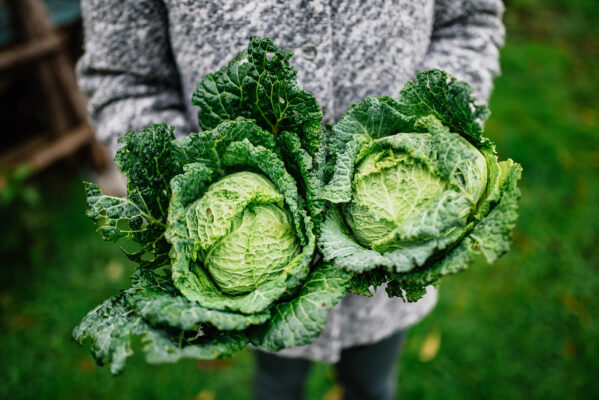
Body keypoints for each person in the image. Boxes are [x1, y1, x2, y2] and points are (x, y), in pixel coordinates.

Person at [77, 1, 505, 399]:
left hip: (398, 252)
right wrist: (196, 181)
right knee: (276, 382)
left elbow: (468, 21)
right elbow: (124, 79)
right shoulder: (240, 269)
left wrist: (429, 144)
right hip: (257, 288)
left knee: (373, 383)